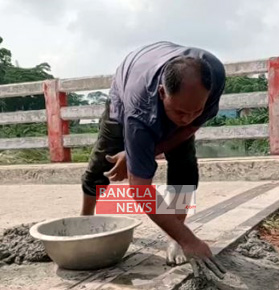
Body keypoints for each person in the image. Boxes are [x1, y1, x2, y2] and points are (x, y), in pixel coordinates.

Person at [80, 41, 227, 278]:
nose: (187, 118)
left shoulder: (214, 75)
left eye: (196, 110)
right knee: (105, 158)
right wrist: (193, 240)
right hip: (129, 79)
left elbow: (191, 126)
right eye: (180, 112)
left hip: (159, 65)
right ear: (162, 93)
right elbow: (140, 189)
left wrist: (185, 239)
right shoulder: (138, 108)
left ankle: (176, 236)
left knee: (184, 162)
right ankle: (85, 218)